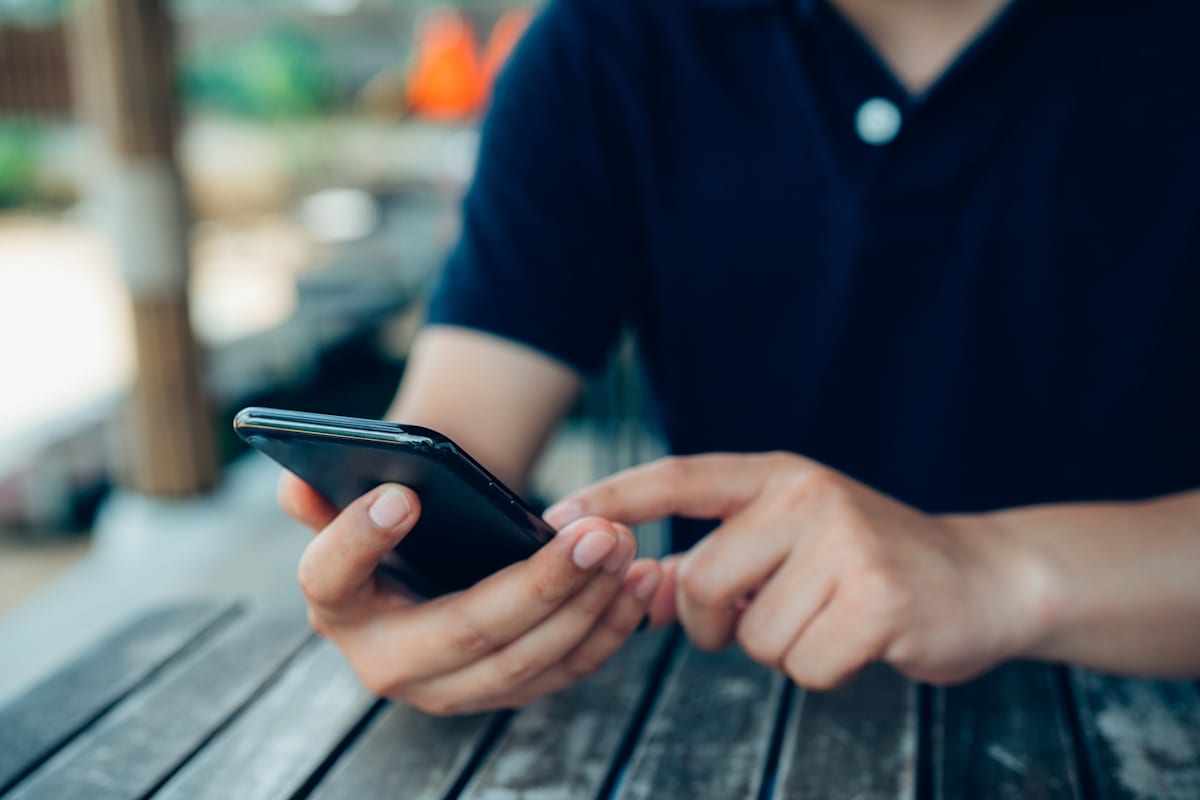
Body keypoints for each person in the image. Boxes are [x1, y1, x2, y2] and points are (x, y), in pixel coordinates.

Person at [278, 0, 1200, 716]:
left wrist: (993, 570)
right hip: (730, 708)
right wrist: (410, 590)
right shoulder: (607, 42)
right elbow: (455, 436)